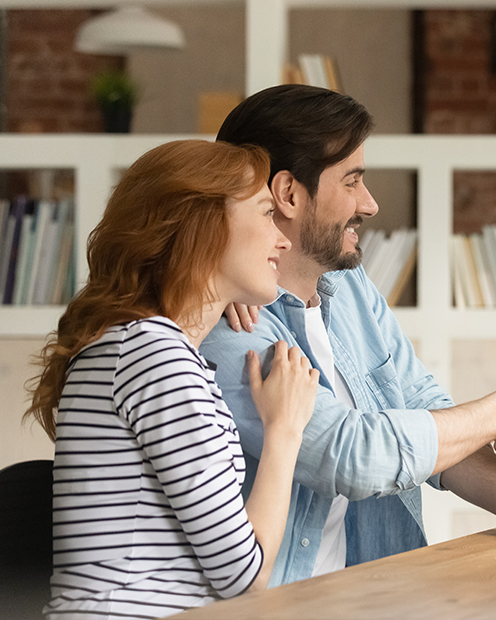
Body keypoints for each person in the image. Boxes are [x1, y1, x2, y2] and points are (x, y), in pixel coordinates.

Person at [200, 84, 496, 586]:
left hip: (381, 591)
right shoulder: (228, 321)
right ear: (289, 194)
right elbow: (351, 456)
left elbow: (424, 411)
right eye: (352, 181)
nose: (369, 204)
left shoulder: (350, 287)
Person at [25, 140, 320, 619]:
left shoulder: (144, 346)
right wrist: (286, 428)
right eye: (267, 214)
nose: (283, 239)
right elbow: (244, 575)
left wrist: (220, 288)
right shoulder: (153, 354)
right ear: (203, 225)